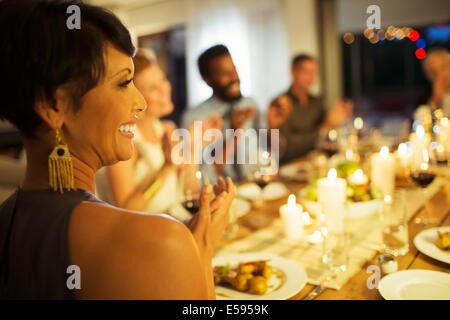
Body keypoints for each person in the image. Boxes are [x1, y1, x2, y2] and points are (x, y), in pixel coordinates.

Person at [0, 0, 234, 299]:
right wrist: (199, 247)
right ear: (53, 106)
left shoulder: (7, 219)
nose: (142, 103)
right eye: (124, 83)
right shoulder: (162, 240)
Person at [96, 50, 222, 217]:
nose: (165, 88)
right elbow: (127, 209)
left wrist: (193, 147)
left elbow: (188, 192)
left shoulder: (167, 129)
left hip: (176, 225)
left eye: (162, 79)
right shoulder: (124, 140)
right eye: (152, 88)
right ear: (135, 97)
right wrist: (166, 168)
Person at [182, 45, 259, 183]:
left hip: (254, 185)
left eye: (234, 70)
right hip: (220, 194)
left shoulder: (249, 104)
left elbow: (269, 150)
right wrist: (234, 134)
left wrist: (274, 124)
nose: (234, 78)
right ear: (207, 79)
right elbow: (203, 178)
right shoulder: (196, 118)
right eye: (225, 74)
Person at [268, 54, 353, 164]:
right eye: (306, 72)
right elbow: (287, 147)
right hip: (290, 167)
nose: (311, 77)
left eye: (314, 72)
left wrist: (341, 119)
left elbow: (328, 138)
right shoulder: (281, 104)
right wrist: (324, 128)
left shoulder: (317, 102)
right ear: (293, 72)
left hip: (317, 164)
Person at [422, 48, 450, 117]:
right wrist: (436, 100)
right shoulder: (425, 95)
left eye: (442, 68)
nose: (440, 75)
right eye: (434, 72)